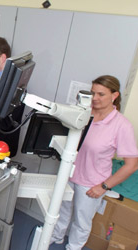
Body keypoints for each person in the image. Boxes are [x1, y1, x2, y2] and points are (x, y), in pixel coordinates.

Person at [50, 75, 138, 250]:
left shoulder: (122, 125)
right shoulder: (84, 112)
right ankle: (56, 237)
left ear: (114, 95)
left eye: (101, 94)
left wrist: (103, 186)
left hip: (92, 183)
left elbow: (132, 165)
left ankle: (73, 247)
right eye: (92, 93)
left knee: (81, 222)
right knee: (61, 212)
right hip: (69, 174)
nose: (95, 98)